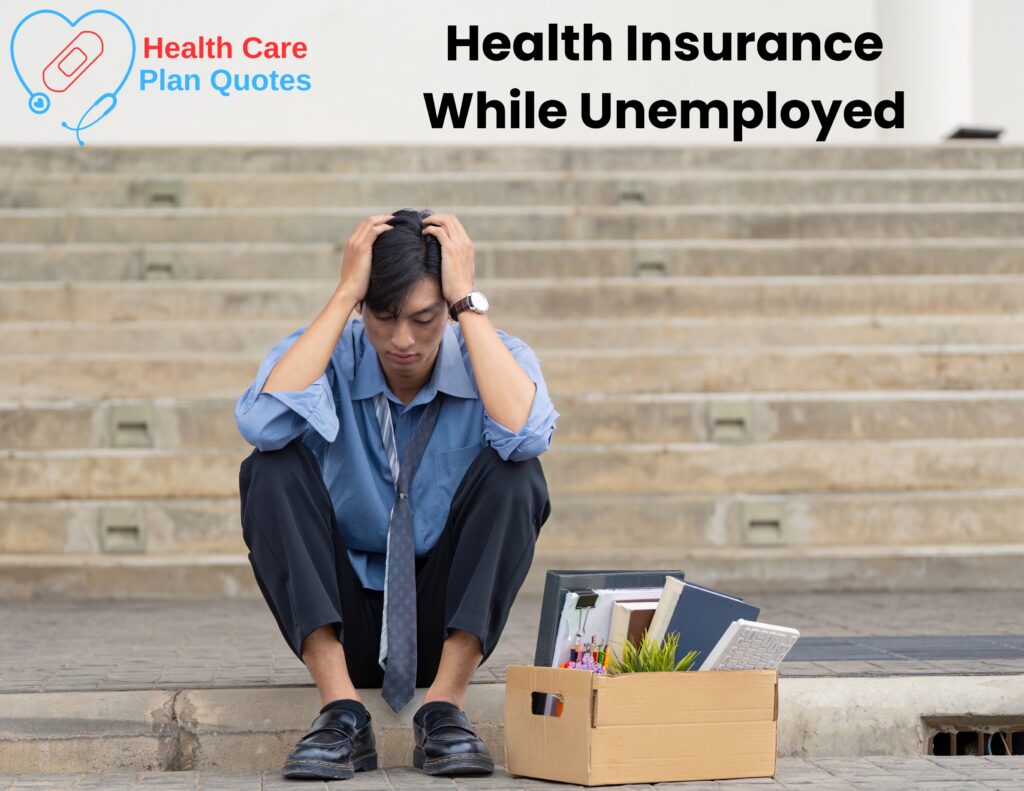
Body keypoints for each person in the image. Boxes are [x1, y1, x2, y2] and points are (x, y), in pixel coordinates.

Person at [234, 209, 558, 781]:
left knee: (517, 473)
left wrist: (467, 304)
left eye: (424, 317)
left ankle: (445, 708)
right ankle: (341, 713)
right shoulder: (328, 356)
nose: (402, 340)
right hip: (341, 615)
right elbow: (260, 424)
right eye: (383, 317)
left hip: (446, 620)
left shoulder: (492, 356)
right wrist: (342, 296)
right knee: (270, 469)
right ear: (363, 307)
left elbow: (528, 435)